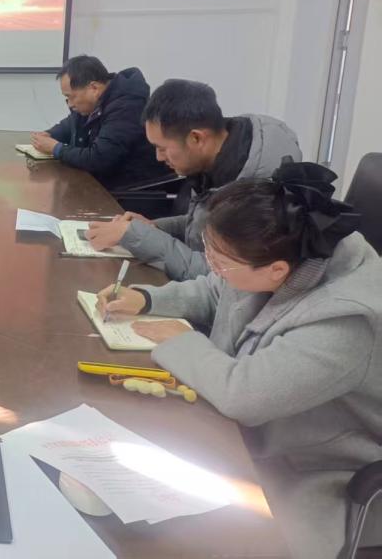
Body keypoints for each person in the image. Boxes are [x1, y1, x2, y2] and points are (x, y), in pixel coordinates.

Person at [96, 161, 381, 559]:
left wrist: (181, 341)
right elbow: (218, 290)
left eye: (220, 261)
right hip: (250, 435)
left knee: (199, 540)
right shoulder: (280, 251)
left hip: (317, 469)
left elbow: (245, 395)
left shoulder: (348, 319)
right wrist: (147, 299)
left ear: (277, 271)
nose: (213, 267)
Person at [86, 79, 301, 280]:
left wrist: (139, 237)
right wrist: (155, 227)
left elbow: (218, 277)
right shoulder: (221, 157)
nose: (158, 157)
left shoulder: (258, 190)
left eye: (162, 148)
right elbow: (203, 225)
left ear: (196, 138)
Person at [30, 55, 171, 189]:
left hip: (130, 190)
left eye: (71, 97)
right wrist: (49, 134)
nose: (70, 104)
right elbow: (71, 123)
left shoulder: (126, 107)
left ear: (94, 88)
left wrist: (56, 149)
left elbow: (98, 158)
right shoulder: (94, 103)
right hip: (103, 182)